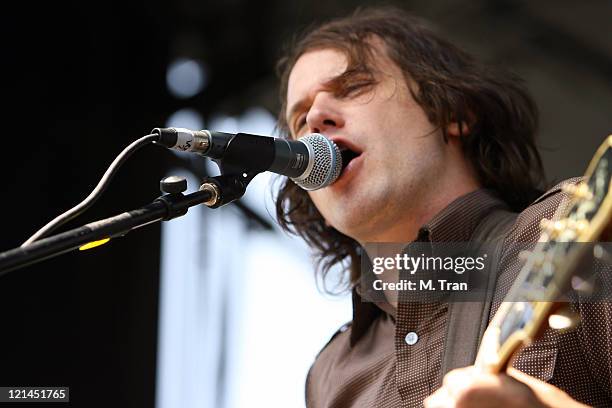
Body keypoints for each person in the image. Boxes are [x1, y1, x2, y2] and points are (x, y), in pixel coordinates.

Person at [273, 6, 612, 408]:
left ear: (452, 114)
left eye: (352, 87)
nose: (315, 117)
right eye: (299, 120)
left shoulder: (572, 231)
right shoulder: (332, 373)